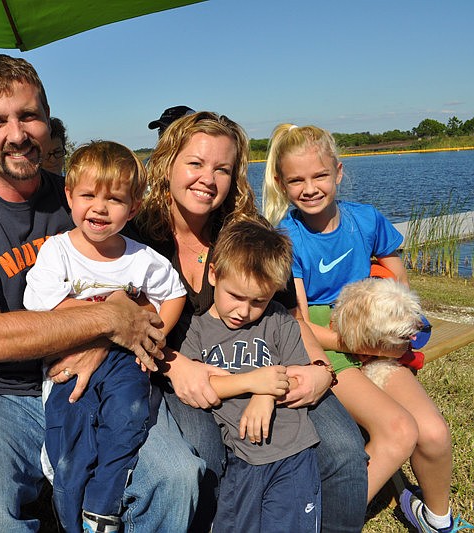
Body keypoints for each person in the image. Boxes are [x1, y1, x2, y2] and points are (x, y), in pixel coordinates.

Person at [0, 54, 202, 532]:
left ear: (47, 120)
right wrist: (109, 321)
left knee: (177, 478)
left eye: (28, 116)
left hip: (100, 379)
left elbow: (147, 290)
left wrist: (100, 345)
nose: (17, 134)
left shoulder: (84, 198)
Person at [130, 111, 368, 532]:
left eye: (222, 168)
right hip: (185, 374)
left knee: (344, 449)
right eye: (196, 163)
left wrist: (319, 369)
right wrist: (175, 365)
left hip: (273, 362)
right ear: (168, 163)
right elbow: (123, 326)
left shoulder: (245, 232)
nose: (208, 178)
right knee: (207, 452)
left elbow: (292, 314)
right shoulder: (137, 237)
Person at [263, 123, 470, 533]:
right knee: (397, 431)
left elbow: (395, 268)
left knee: (432, 433)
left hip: (369, 339)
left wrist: (390, 319)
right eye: (297, 180)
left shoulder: (365, 220)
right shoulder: (288, 239)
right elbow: (300, 322)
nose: (310, 187)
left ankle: (436, 518)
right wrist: (357, 344)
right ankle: (327, 520)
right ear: (280, 183)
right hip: (327, 347)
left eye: (320, 175)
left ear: (338, 172)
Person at [23, 140, 186, 532]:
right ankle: (69, 513)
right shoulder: (57, 252)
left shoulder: (141, 257)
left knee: (126, 423)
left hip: (125, 362)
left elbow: (174, 293)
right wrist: (112, 317)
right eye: (88, 195)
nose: (99, 207)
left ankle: (102, 506)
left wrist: (155, 334)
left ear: (133, 208)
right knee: (71, 443)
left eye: (114, 199)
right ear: (69, 196)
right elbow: (44, 306)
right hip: (70, 361)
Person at [180, 217, 321, 533]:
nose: (244, 311)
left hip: (294, 454)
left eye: (258, 300)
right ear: (214, 274)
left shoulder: (277, 321)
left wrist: (266, 394)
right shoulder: (198, 330)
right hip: (241, 459)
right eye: (236, 296)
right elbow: (201, 386)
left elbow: (299, 373)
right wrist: (253, 382)